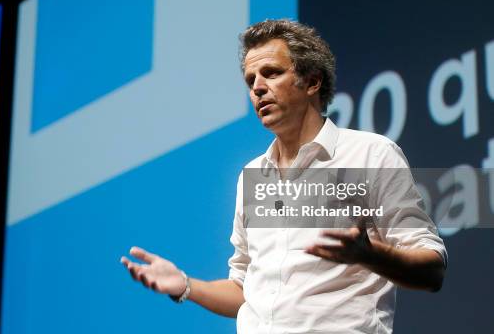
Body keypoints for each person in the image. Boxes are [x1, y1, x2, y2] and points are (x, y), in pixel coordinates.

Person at [120, 19, 446, 333]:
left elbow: (432, 269)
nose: (258, 88)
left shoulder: (370, 154)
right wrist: (187, 285)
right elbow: (245, 291)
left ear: (313, 82)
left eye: (271, 73)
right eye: (251, 81)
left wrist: (369, 254)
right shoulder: (252, 176)